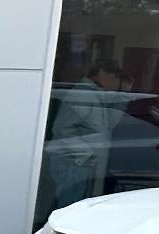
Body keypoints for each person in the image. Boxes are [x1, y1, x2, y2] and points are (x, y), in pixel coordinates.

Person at [43, 59, 130, 212]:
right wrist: (86, 154)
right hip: (73, 164)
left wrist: (125, 95)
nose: (117, 83)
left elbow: (107, 125)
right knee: (69, 209)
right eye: (116, 78)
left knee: (79, 209)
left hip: (84, 164)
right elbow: (62, 129)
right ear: (102, 73)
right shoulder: (82, 95)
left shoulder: (95, 95)